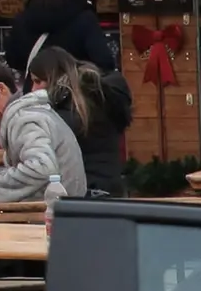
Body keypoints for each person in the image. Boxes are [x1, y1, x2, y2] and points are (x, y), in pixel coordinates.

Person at [0, 59, 87, 204]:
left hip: (54, 211)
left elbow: (41, 167)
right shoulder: (32, 112)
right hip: (68, 204)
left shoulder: (24, 119)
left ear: (1, 89)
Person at [5, 0, 119, 82]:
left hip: (35, 93)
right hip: (72, 95)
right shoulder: (84, 20)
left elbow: (13, 60)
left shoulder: (23, 20)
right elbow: (104, 63)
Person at [41, 44, 132, 196]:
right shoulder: (101, 99)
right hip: (112, 189)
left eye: (38, 81)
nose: (33, 89)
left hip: (90, 193)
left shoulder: (71, 113)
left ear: (53, 76)